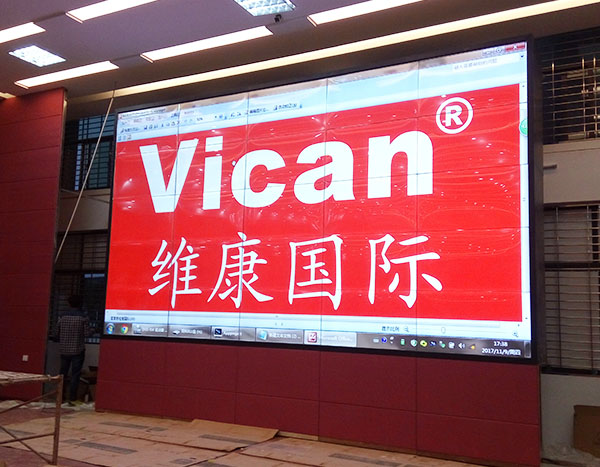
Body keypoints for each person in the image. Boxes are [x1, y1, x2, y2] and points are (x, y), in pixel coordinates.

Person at [57, 295, 91, 405]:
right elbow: (87, 333)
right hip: (77, 350)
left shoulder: (62, 317)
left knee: (62, 374)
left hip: (64, 349)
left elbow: (57, 332)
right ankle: (72, 398)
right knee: (75, 375)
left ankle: (60, 397)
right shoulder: (83, 317)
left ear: (69, 303)